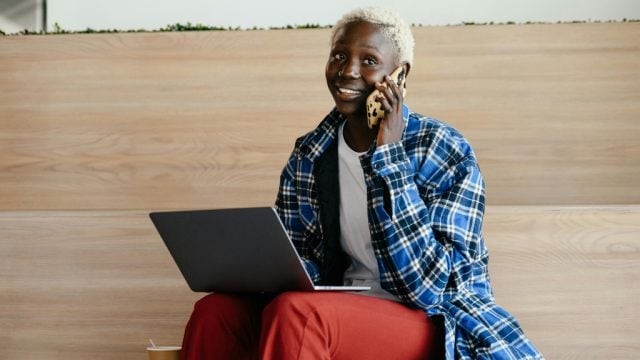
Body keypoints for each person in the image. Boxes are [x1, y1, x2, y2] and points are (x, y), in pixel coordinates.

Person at [180, 6, 543, 360]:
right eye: (339, 56)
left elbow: (429, 288)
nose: (347, 71)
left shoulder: (442, 148)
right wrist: (253, 268)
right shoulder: (310, 153)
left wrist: (389, 157)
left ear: (400, 74)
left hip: (433, 321)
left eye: (368, 60)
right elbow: (300, 260)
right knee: (215, 313)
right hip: (339, 308)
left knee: (300, 313)